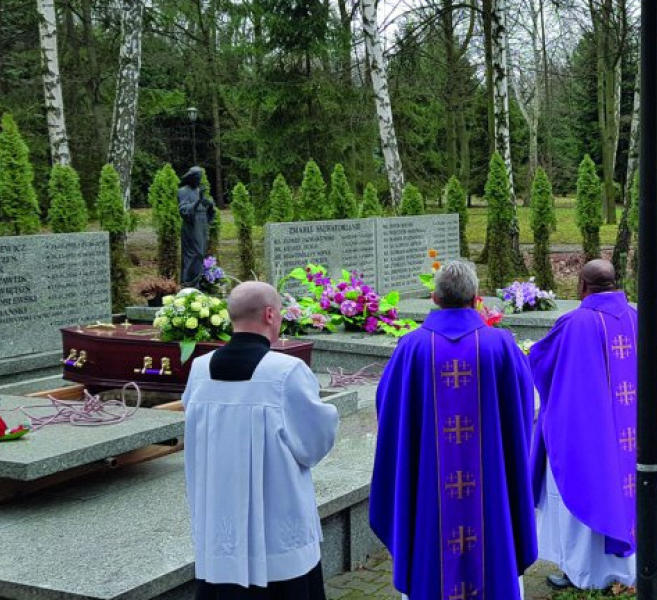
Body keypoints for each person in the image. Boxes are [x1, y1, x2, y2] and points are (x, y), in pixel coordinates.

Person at [370, 261, 537, 600]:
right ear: (477, 298)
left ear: (434, 298)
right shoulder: (501, 345)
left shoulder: (411, 348)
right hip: (490, 483)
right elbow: (522, 408)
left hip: (429, 486)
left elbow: (388, 409)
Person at [528, 260, 657, 590]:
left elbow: (542, 365)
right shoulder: (637, 317)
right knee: (631, 490)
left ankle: (585, 573)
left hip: (593, 437)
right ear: (615, 283)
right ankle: (630, 567)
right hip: (635, 436)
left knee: (588, 487)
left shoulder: (575, 323)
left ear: (582, 286)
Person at [182, 281, 341, 600]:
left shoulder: (199, 369)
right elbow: (312, 443)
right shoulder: (286, 371)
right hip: (276, 520)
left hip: (219, 519)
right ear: (270, 314)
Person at [180, 166, 216, 287]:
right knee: (194, 253)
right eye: (197, 178)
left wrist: (209, 205)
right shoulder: (183, 191)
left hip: (202, 224)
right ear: (191, 178)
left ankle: (198, 282)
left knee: (201, 253)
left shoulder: (198, 191)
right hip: (191, 225)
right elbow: (184, 210)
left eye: (199, 178)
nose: (198, 181)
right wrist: (198, 201)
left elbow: (209, 211)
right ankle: (188, 282)